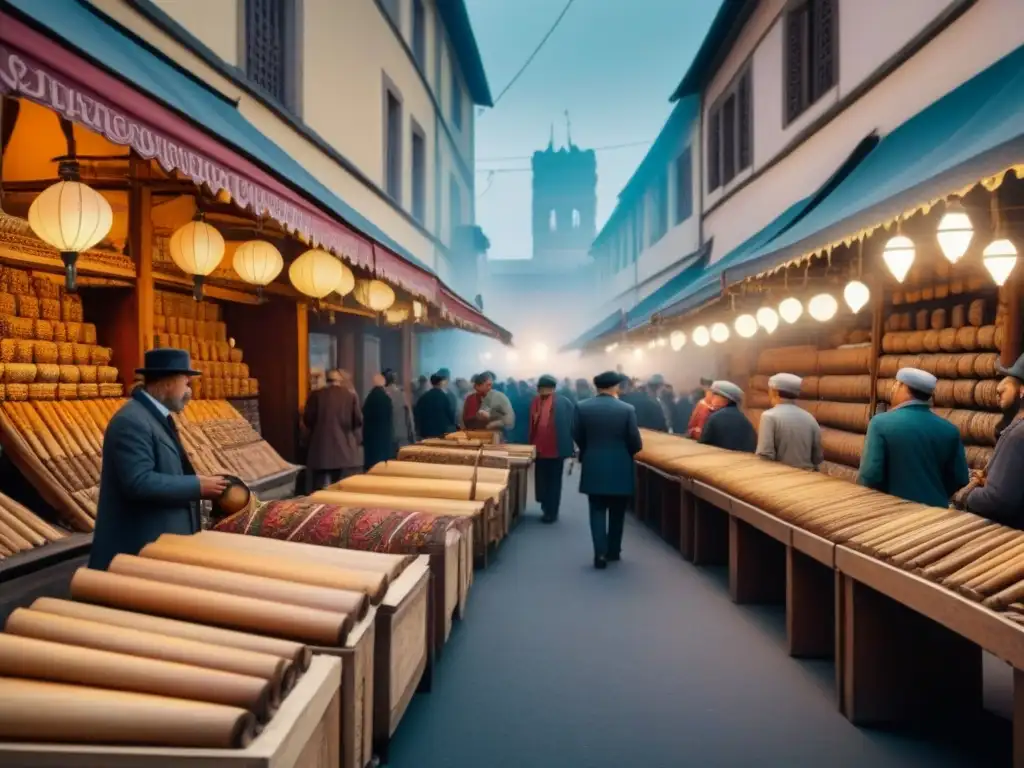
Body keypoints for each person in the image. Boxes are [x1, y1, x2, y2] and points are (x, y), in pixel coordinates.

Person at [90, 348, 228, 570]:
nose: (189, 393)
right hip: (139, 554)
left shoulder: (154, 417)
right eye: (186, 384)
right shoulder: (132, 421)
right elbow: (138, 482)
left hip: (160, 550)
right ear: (167, 383)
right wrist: (197, 486)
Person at [857, 367, 969, 506]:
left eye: (896, 384)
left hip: (893, 515)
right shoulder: (950, 430)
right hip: (937, 516)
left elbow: (870, 476)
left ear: (903, 387)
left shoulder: (880, 424)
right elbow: (960, 479)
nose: (892, 390)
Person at [573, 371, 643, 569]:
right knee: (617, 511)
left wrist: (588, 451)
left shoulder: (582, 407)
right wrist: (625, 453)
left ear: (597, 387)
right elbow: (635, 442)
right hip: (620, 466)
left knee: (596, 510)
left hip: (593, 464)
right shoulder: (627, 409)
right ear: (615, 387)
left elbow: (577, 434)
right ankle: (614, 550)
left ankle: (599, 553)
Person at [961, 355, 1024, 524]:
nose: (999, 392)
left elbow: (997, 502)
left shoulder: (1018, 435)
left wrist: (965, 495)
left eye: (1011, 382)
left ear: (1022, 391)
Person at [303, 368, 363, 489]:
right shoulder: (350, 396)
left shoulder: (316, 395)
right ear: (339, 380)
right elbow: (358, 420)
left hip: (321, 449)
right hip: (344, 450)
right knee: (341, 487)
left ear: (326, 379)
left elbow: (308, 419)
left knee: (319, 487)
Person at [529, 374, 576, 523]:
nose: (540, 391)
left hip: (556, 449)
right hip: (540, 448)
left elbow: (572, 425)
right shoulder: (536, 401)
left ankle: (552, 511)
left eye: (543, 388)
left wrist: (571, 447)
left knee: (554, 482)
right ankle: (545, 505)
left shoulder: (563, 403)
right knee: (542, 481)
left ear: (551, 389)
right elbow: (532, 424)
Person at [756, 373, 823, 470]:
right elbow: (818, 458)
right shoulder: (810, 418)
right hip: (808, 478)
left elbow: (765, 455)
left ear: (774, 392)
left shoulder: (769, 416)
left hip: (781, 479)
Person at [699, 381, 756, 452]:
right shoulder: (746, 422)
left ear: (726, 399)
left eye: (715, 394)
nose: (712, 398)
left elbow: (702, 447)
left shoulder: (715, 418)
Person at [461, 371, 515, 436]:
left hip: (493, 434)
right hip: (476, 434)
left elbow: (507, 419)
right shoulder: (471, 398)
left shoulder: (498, 397)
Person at [362, 373, 394, 470]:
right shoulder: (386, 398)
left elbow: (364, 414)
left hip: (371, 435)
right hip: (384, 434)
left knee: (372, 462)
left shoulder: (370, 397)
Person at [414, 370, 458, 439]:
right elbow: (449, 413)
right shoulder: (444, 397)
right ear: (440, 382)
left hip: (426, 430)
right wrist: (454, 424)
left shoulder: (424, 396)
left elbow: (417, 413)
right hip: (441, 429)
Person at [384, 369, 414, 451]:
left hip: (386, 434)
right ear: (395, 379)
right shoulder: (401, 394)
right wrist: (412, 433)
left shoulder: (381, 394)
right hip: (401, 432)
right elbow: (409, 416)